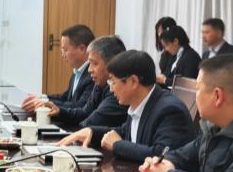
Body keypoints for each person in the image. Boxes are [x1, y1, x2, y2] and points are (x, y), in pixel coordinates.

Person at [62, 50, 195, 162]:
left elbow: (160, 155)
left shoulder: (169, 110)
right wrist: (92, 132)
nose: (111, 89)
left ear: (133, 81)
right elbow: (125, 132)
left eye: (113, 81)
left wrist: (117, 145)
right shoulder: (139, 102)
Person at [31, 35, 129, 129]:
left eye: (94, 63)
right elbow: (84, 113)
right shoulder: (100, 84)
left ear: (112, 64)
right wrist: (58, 111)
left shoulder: (118, 91)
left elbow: (90, 123)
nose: (89, 70)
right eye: (89, 64)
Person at [21, 24, 95, 112]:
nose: (62, 54)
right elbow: (66, 97)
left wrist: (46, 103)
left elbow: (79, 106)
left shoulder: (93, 75)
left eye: (65, 50)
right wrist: (42, 98)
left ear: (81, 49)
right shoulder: (77, 71)